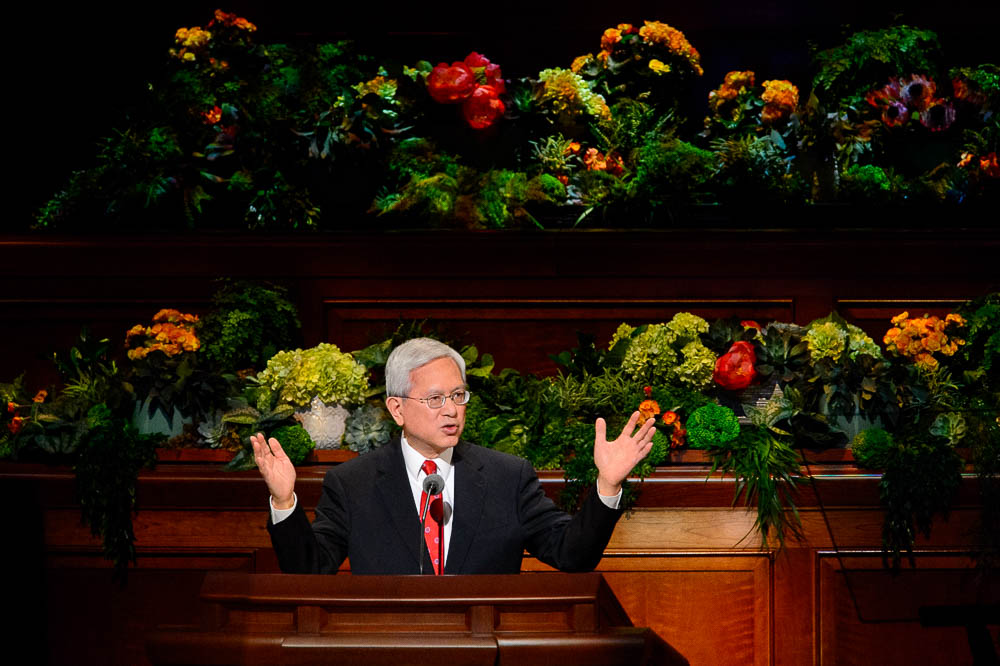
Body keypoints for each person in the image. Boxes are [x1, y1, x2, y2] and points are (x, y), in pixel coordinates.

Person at [253, 337, 655, 574]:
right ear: (396, 410)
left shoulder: (507, 477)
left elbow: (573, 555)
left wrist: (607, 485)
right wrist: (285, 502)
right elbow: (310, 570)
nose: (451, 409)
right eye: (435, 398)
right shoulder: (352, 484)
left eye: (458, 395)